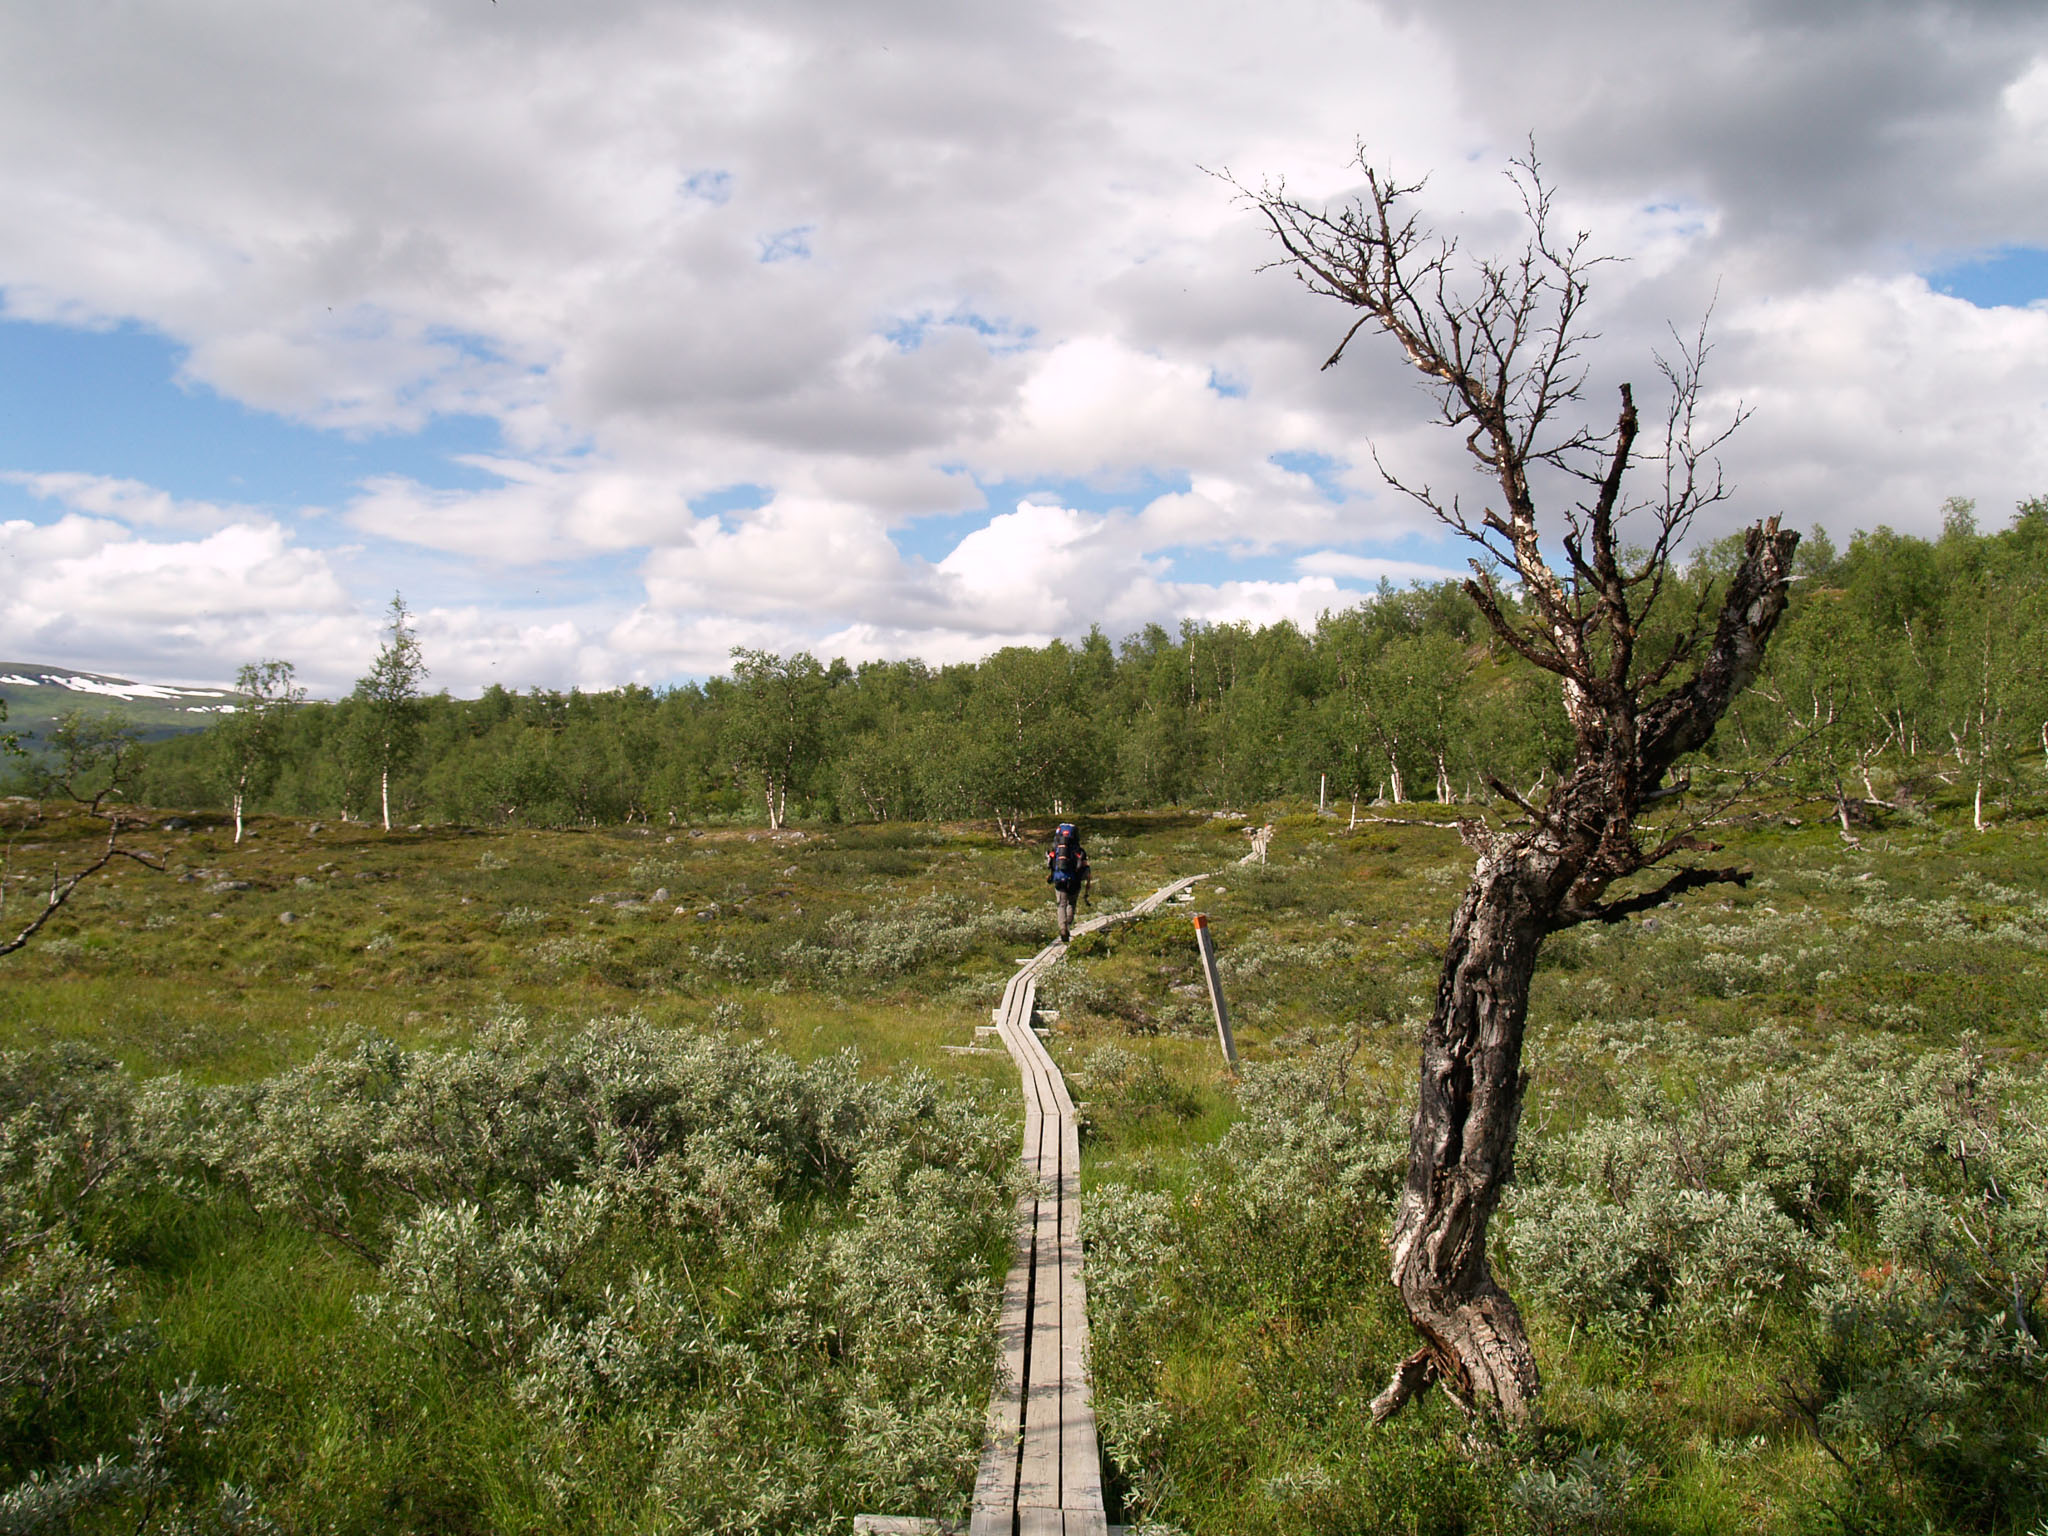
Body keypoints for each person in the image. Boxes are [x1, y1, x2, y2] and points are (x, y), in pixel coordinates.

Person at [1045, 820, 1089, 942]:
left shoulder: (1055, 852)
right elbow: (1085, 867)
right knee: (1071, 903)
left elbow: (1049, 865)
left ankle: (1063, 928)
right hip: (1074, 880)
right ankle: (1068, 925)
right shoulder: (1080, 851)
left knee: (1061, 905)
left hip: (1059, 879)